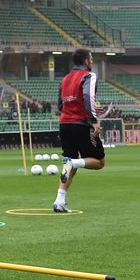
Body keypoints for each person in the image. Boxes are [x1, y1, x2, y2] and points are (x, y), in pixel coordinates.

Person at [54, 48, 105, 213]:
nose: (92, 61)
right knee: (99, 162)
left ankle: (59, 200)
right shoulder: (89, 76)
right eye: (91, 58)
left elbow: (60, 105)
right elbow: (88, 97)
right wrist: (94, 120)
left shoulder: (65, 79)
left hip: (65, 124)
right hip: (81, 124)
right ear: (85, 61)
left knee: (70, 162)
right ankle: (73, 162)